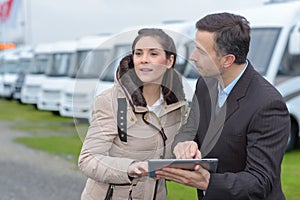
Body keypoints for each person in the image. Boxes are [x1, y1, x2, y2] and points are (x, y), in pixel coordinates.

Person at [156, 12, 290, 200]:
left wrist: (206, 181)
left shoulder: (268, 104)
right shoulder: (205, 84)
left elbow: (260, 181)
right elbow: (190, 129)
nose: (193, 57)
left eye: (201, 51)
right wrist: (183, 144)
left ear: (227, 60)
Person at [78, 28, 189, 200]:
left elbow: (175, 153)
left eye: (153, 54)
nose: (144, 60)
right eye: (138, 54)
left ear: (169, 61)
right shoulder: (110, 101)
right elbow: (88, 160)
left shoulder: (179, 107)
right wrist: (130, 167)